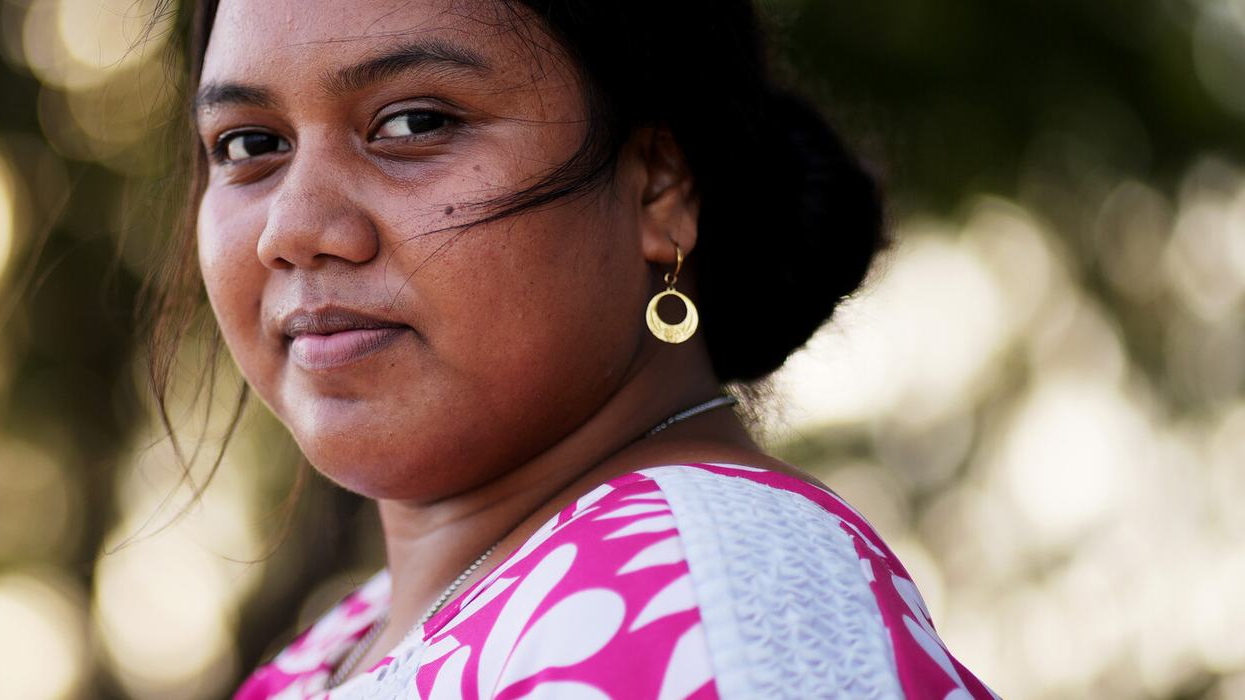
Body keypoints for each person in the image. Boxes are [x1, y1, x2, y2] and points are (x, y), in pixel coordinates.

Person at [152, 0, 999, 697]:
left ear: (659, 184)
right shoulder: (336, 648)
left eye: (413, 123)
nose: (293, 232)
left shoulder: (714, 600)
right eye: (249, 145)